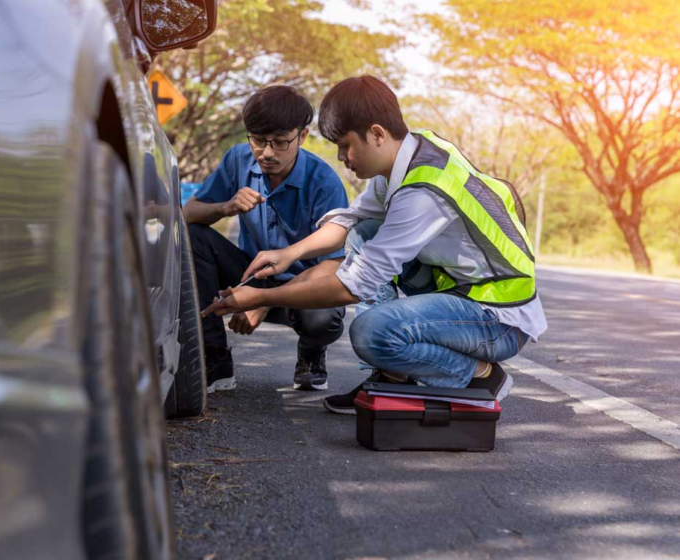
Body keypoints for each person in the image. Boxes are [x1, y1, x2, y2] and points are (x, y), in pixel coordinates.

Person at [202, 75, 547, 414]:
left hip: (497, 317)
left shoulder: (422, 191)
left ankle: (480, 375)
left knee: (371, 333)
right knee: (364, 230)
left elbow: (354, 286)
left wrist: (260, 296)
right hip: (462, 292)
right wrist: (289, 253)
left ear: (377, 134)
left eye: (345, 145)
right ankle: (390, 377)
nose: (341, 157)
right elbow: (350, 220)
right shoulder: (411, 152)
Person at [183, 85, 350, 393]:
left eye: (280, 142)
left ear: (302, 136)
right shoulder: (238, 159)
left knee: (322, 319)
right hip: (252, 275)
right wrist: (226, 206)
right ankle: (214, 360)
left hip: (305, 287)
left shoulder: (324, 181)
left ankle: (312, 354)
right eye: (258, 140)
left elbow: (335, 265)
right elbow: (188, 213)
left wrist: (262, 300)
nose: (267, 152)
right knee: (193, 238)